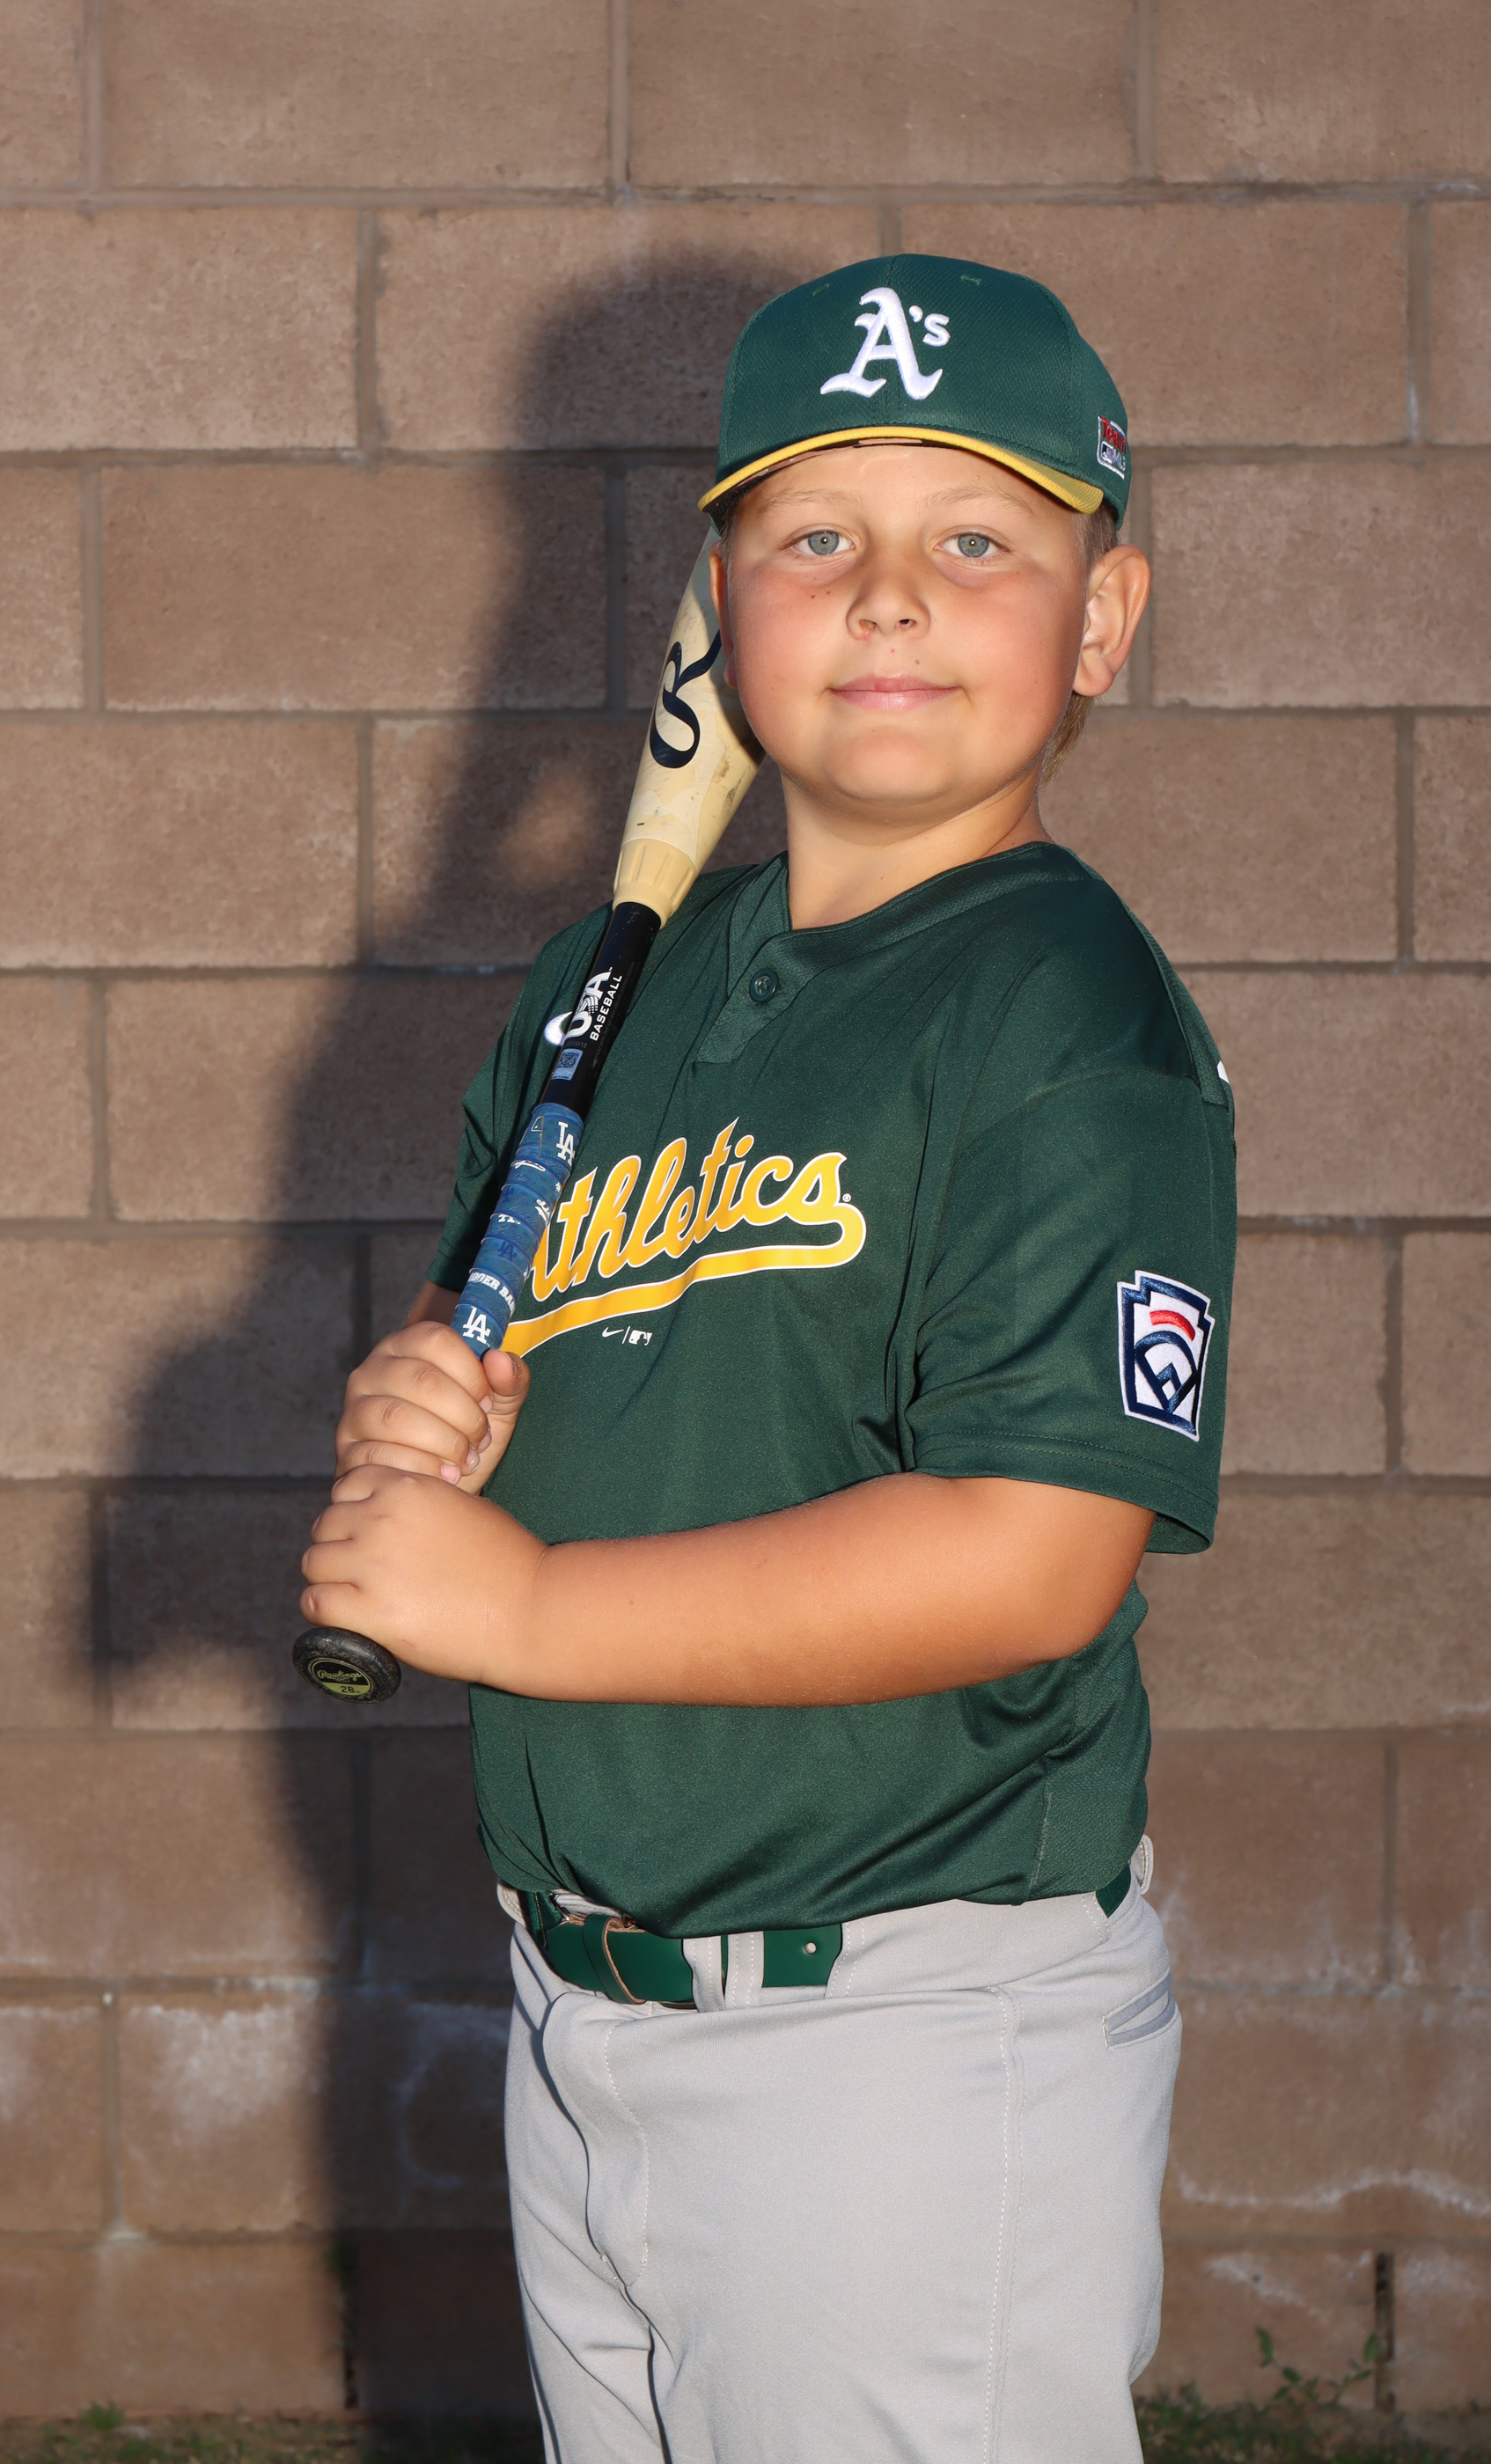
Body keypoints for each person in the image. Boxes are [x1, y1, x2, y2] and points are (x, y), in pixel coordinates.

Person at [301, 255, 1237, 2464]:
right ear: (717, 611)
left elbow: (1034, 1554)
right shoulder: (609, 988)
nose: (890, 594)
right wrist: (430, 1398)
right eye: (816, 533)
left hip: (897, 2034)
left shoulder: (1060, 1011)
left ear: (1103, 622)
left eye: (977, 539)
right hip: (587, 2007)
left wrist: (524, 1602)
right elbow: (519, 1336)